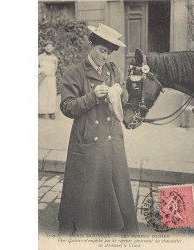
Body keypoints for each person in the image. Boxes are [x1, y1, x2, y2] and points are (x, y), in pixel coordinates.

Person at [58, 23, 139, 235]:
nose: (106, 56)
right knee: (89, 193)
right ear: (92, 45)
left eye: (109, 52)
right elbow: (67, 107)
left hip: (112, 139)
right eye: (102, 50)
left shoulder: (114, 70)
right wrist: (92, 97)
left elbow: (126, 98)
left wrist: (120, 92)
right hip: (88, 141)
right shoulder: (74, 72)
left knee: (116, 187)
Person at [38, 40, 58, 119]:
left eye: (50, 46)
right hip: (42, 78)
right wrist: (41, 71)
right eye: (47, 46)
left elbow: (55, 68)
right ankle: (40, 111)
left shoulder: (54, 58)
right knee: (42, 94)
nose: (48, 48)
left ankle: (51, 112)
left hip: (51, 79)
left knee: (51, 94)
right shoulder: (40, 57)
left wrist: (50, 73)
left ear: (53, 48)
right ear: (44, 48)